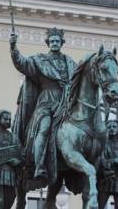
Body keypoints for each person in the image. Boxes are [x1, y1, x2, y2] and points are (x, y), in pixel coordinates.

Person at [10, 27, 77, 182]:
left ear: (61, 43)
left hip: (66, 102)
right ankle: (39, 165)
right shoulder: (39, 61)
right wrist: (13, 47)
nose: (54, 43)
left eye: (57, 41)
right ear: (48, 43)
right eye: (52, 41)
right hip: (47, 101)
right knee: (44, 128)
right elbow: (22, 63)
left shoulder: (70, 63)